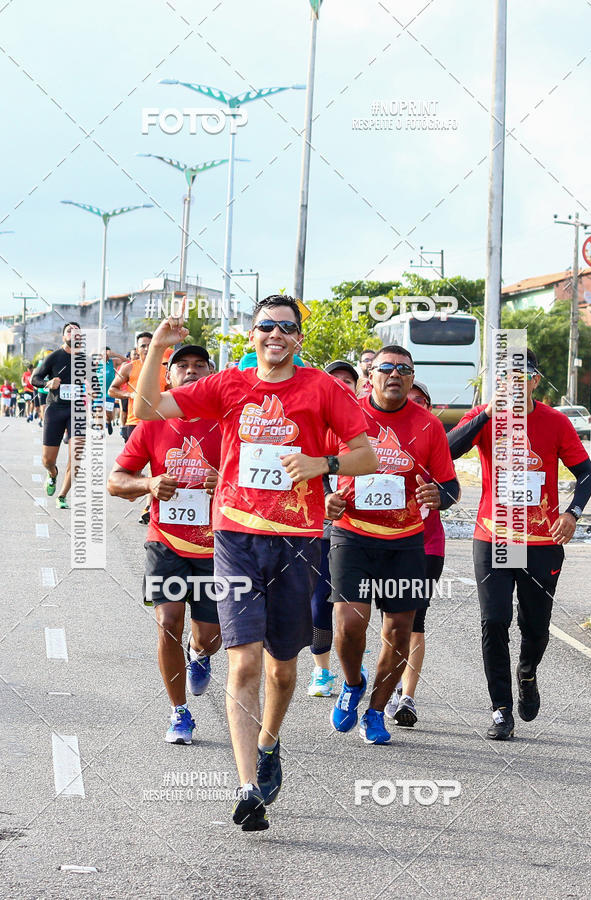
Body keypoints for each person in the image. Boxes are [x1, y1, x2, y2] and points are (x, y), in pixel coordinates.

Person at [134, 295, 377, 832]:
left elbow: (367, 455)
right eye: (266, 325)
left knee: (282, 670)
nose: (275, 334)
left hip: (296, 540)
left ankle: (269, 745)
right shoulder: (228, 386)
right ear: (253, 335)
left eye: (286, 327)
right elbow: (147, 408)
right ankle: (247, 787)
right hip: (236, 537)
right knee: (243, 663)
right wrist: (159, 349)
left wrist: (321, 463)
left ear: (298, 338)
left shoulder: (323, 389)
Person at [447, 349, 591, 740]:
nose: (512, 384)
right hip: (495, 537)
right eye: (504, 376)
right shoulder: (484, 416)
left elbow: (586, 475)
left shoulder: (555, 421)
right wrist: (486, 414)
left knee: (536, 627)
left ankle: (527, 673)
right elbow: (446, 450)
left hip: (541, 541)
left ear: (534, 380)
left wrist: (572, 513)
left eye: (521, 376)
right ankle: (501, 709)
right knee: (495, 619)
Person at [326, 346, 459, 745]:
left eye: (404, 369)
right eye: (386, 367)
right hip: (352, 533)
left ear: (412, 377)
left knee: (400, 631)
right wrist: (325, 497)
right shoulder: (346, 415)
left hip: (405, 541)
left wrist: (440, 496)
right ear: (371, 376)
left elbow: (450, 485)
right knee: (349, 624)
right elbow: (314, 464)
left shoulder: (428, 425)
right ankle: (353, 683)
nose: (395, 374)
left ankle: (376, 711)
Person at [108, 344, 222, 745]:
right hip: (166, 542)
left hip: (216, 548)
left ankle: (200, 654)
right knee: (168, 622)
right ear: (168, 378)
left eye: (199, 365)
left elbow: (260, 482)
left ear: (210, 375)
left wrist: (225, 481)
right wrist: (149, 483)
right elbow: (116, 481)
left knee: (209, 637)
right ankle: (179, 712)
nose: (191, 371)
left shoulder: (228, 422)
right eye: (182, 366)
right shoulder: (153, 424)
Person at [384, 380, 449, 727]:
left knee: (415, 621)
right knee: (392, 623)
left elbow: (452, 487)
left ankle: (407, 697)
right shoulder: (380, 442)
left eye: (421, 401)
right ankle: (391, 687)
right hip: (387, 542)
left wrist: (440, 495)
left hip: (427, 545)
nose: (414, 405)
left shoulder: (433, 441)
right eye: (409, 400)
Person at [307, 360, 359, 698]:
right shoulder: (315, 423)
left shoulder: (369, 422)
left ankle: (354, 662)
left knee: (357, 605)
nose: (341, 384)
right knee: (321, 600)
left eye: (348, 380)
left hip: (370, 530)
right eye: (334, 379)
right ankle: (321, 670)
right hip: (326, 525)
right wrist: (326, 495)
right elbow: (313, 469)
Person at [30, 322, 82, 509]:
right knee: (48, 460)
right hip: (55, 409)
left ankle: (62, 495)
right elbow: (34, 379)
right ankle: (52, 474)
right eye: (69, 331)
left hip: (77, 411)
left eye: (77, 332)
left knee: (76, 456)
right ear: (64, 336)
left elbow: (95, 384)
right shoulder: (54, 357)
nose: (73, 334)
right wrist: (48, 383)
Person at [108, 333, 164, 443]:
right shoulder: (129, 368)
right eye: (143, 346)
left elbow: (174, 392)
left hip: (159, 422)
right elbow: (112, 390)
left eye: (150, 345)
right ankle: (121, 427)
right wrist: (130, 395)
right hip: (135, 422)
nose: (147, 349)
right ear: (137, 350)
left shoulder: (165, 370)